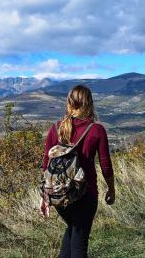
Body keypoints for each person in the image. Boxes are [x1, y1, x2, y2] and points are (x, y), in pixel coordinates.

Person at [39, 85, 115, 258]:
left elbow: (46, 165)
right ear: (89, 103)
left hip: (59, 195)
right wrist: (111, 189)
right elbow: (106, 166)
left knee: (73, 232)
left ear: (69, 102)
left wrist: (44, 196)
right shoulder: (96, 130)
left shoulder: (56, 127)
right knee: (79, 245)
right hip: (85, 194)